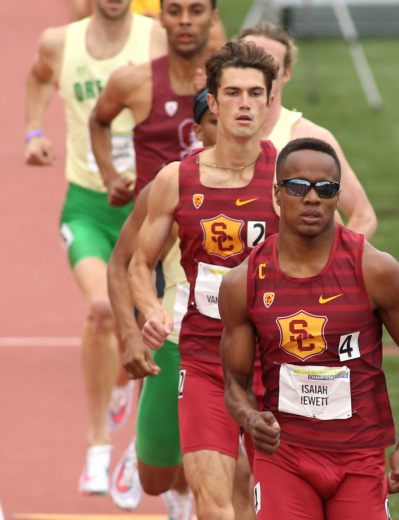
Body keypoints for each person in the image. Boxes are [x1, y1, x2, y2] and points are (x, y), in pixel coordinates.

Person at [219, 138, 399, 519]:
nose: (312, 198)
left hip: (360, 459)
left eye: (326, 189)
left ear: (337, 198)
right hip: (283, 456)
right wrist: (251, 419)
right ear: (277, 193)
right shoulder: (244, 282)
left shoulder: (375, 270)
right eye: (298, 187)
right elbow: (234, 383)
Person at [24, 0, 167, 495]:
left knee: (155, 334)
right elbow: (37, 78)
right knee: (102, 309)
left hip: (150, 213)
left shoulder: (158, 41)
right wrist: (33, 132)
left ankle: (128, 398)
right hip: (87, 206)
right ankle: (96, 446)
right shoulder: (60, 43)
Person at [130, 41, 281, 520]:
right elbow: (139, 265)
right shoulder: (177, 179)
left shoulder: (291, 179)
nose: (243, 103)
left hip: (275, 367)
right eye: (232, 92)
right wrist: (152, 311)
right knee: (213, 509)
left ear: (268, 101)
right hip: (203, 360)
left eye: (254, 93)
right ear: (212, 102)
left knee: (272, 507)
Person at [106, 90, 253, 520]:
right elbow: (121, 266)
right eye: (211, 122)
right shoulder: (170, 185)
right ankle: (151, 456)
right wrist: (134, 335)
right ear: (199, 130)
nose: (222, 130)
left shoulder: (272, 183)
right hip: (177, 344)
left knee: (241, 475)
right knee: (156, 478)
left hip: (250, 349)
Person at [90, 0, 218, 209]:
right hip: (152, 223)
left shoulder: (233, 84)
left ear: (213, 17)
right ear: (160, 18)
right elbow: (98, 120)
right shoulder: (133, 81)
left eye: (197, 11)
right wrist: (110, 178)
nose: (185, 20)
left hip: (213, 223)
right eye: (174, 11)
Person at [238, 23, 377, 239]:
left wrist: (331, 264)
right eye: (248, 62)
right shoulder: (208, 132)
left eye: (268, 64)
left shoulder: (310, 138)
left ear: (286, 74)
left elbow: (363, 215)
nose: (257, 72)